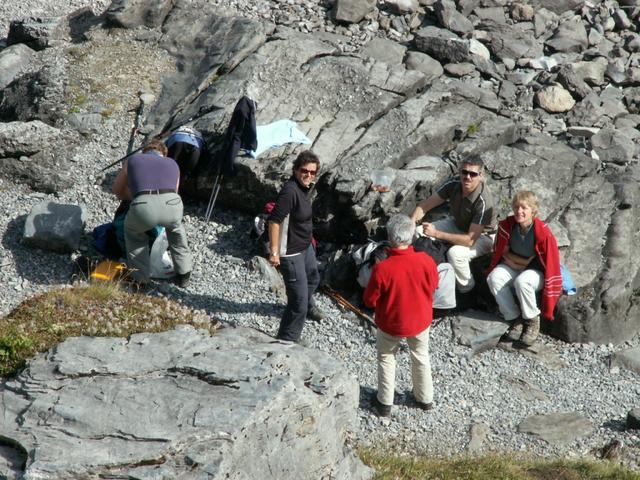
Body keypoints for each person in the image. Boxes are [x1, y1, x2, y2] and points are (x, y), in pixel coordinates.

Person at [363, 214, 439, 417]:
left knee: (387, 357)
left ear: (390, 237)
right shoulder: (426, 261)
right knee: (421, 356)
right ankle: (425, 399)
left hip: (391, 323)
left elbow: (370, 300)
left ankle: (385, 402)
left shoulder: (382, 269)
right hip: (420, 320)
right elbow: (434, 286)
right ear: (412, 236)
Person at [112, 138, 193, 288]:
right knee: (176, 232)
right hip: (172, 204)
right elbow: (174, 191)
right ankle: (184, 275)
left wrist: (136, 196)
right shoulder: (173, 164)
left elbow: (117, 190)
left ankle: (141, 280)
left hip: (144, 207)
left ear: (144, 151)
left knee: (134, 236)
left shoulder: (133, 160)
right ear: (164, 154)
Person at [410, 156, 496, 293]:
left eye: (473, 174)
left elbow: (469, 240)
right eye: (464, 172)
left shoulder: (483, 201)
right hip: (457, 224)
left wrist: (436, 234)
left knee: (455, 254)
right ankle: (423, 274)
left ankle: (467, 290)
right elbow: (425, 205)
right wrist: (411, 223)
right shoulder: (454, 183)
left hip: (482, 236)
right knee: (418, 232)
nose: (467, 177)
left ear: (481, 175)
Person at [486, 191, 562, 346]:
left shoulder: (542, 233)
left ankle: (532, 319)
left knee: (523, 281)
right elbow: (503, 253)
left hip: (537, 272)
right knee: (494, 278)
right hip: (515, 266)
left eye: (524, 208)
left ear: (533, 210)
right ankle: (514, 317)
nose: (519, 211)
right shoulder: (508, 226)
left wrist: (518, 262)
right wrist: (520, 263)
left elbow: (539, 262)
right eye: (516, 207)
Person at [268, 151, 325, 343]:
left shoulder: (305, 187)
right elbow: (274, 221)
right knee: (297, 302)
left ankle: (307, 308)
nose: (309, 175)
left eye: (312, 172)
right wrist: (274, 252)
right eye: (304, 171)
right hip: (290, 253)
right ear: (295, 170)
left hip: (305, 246)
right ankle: (286, 341)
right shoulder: (290, 191)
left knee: (313, 278)